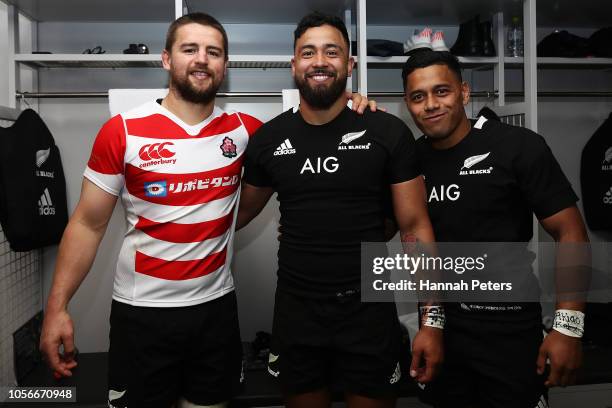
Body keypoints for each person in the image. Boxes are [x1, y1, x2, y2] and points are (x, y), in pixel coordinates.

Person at [39, 12, 375, 408]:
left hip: (216, 312)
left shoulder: (247, 131)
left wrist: (353, 102)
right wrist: (57, 308)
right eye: (190, 49)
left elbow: (307, 130)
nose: (202, 59)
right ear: (167, 59)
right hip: (142, 315)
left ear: (225, 66)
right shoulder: (123, 130)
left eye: (213, 52)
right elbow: (86, 225)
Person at [237, 12, 443, 408]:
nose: (319, 61)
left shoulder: (386, 132)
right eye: (308, 52)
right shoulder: (268, 140)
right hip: (297, 313)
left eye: (332, 52)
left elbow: (415, 227)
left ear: (349, 65)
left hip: (368, 311)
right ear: (294, 64)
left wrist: (431, 323)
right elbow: (233, 216)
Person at [401, 50, 589, 408]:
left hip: (510, 331)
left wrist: (568, 327)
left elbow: (570, 233)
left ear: (464, 92)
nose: (430, 105)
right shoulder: (408, 161)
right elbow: (392, 232)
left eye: (442, 91)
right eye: (418, 97)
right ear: (408, 105)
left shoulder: (516, 146)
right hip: (443, 330)